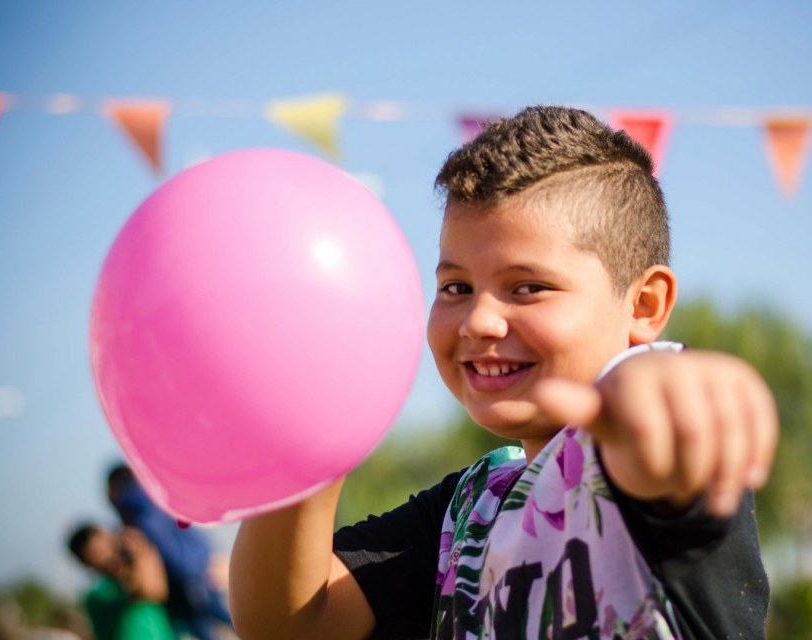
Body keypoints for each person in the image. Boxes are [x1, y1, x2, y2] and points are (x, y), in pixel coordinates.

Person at [229, 105, 779, 639]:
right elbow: (291, 624)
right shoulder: (467, 513)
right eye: (457, 287)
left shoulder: (638, 457)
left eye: (528, 287)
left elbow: (659, 431)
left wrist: (655, 394)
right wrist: (308, 422)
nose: (479, 320)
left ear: (644, 306)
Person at [107, 465, 233, 640]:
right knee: (233, 621)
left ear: (117, 487)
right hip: (201, 568)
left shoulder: (140, 516)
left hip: (188, 580)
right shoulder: (158, 497)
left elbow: (166, 550)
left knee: (211, 629)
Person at [67, 524, 176, 640]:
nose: (102, 552)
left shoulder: (137, 566)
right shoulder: (98, 597)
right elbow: (142, 591)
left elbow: (155, 590)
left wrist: (138, 549)